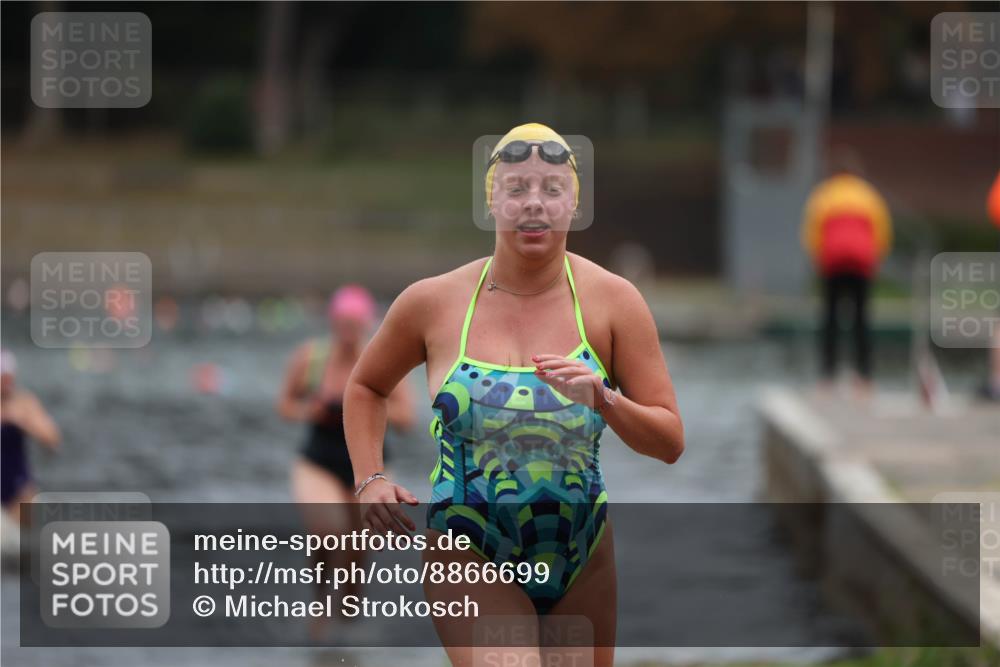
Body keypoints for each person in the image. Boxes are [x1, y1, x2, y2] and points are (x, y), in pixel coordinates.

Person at [343, 123, 684, 666]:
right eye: (517, 188)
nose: (534, 204)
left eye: (552, 190)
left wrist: (605, 398)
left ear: (573, 203)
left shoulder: (614, 303)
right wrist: (370, 478)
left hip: (582, 554)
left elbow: (669, 441)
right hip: (469, 548)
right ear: (491, 201)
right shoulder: (432, 303)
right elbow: (365, 385)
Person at [276, 286, 415, 638]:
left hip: (369, 464)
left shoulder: (381, 356)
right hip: (319, 460)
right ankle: (321, 605)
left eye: (355, 324)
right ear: (333, 323)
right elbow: (285, 405)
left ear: (367, 325)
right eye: (343, 323)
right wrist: (314, 409)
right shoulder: (311, 357)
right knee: (329, 531)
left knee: (359, 543)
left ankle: (347, 612)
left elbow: (406, 417)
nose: (349, 331)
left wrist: (367, 404)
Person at [801, 159, 892, 396]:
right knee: (861, 318)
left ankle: (827, 375)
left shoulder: (824, 195)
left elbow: (812, 231)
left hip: (832, 262)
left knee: (830, 318)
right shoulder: (867, 195)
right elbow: (882, 230)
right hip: (861, 264)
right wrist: (877, 258)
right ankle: (864, 376)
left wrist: (816, 258)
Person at [1, 350, 60, 524]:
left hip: (18, 488)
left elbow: (52, 438)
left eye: (8, 377)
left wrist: (22, 421)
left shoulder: (24, 403)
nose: (6, 383)